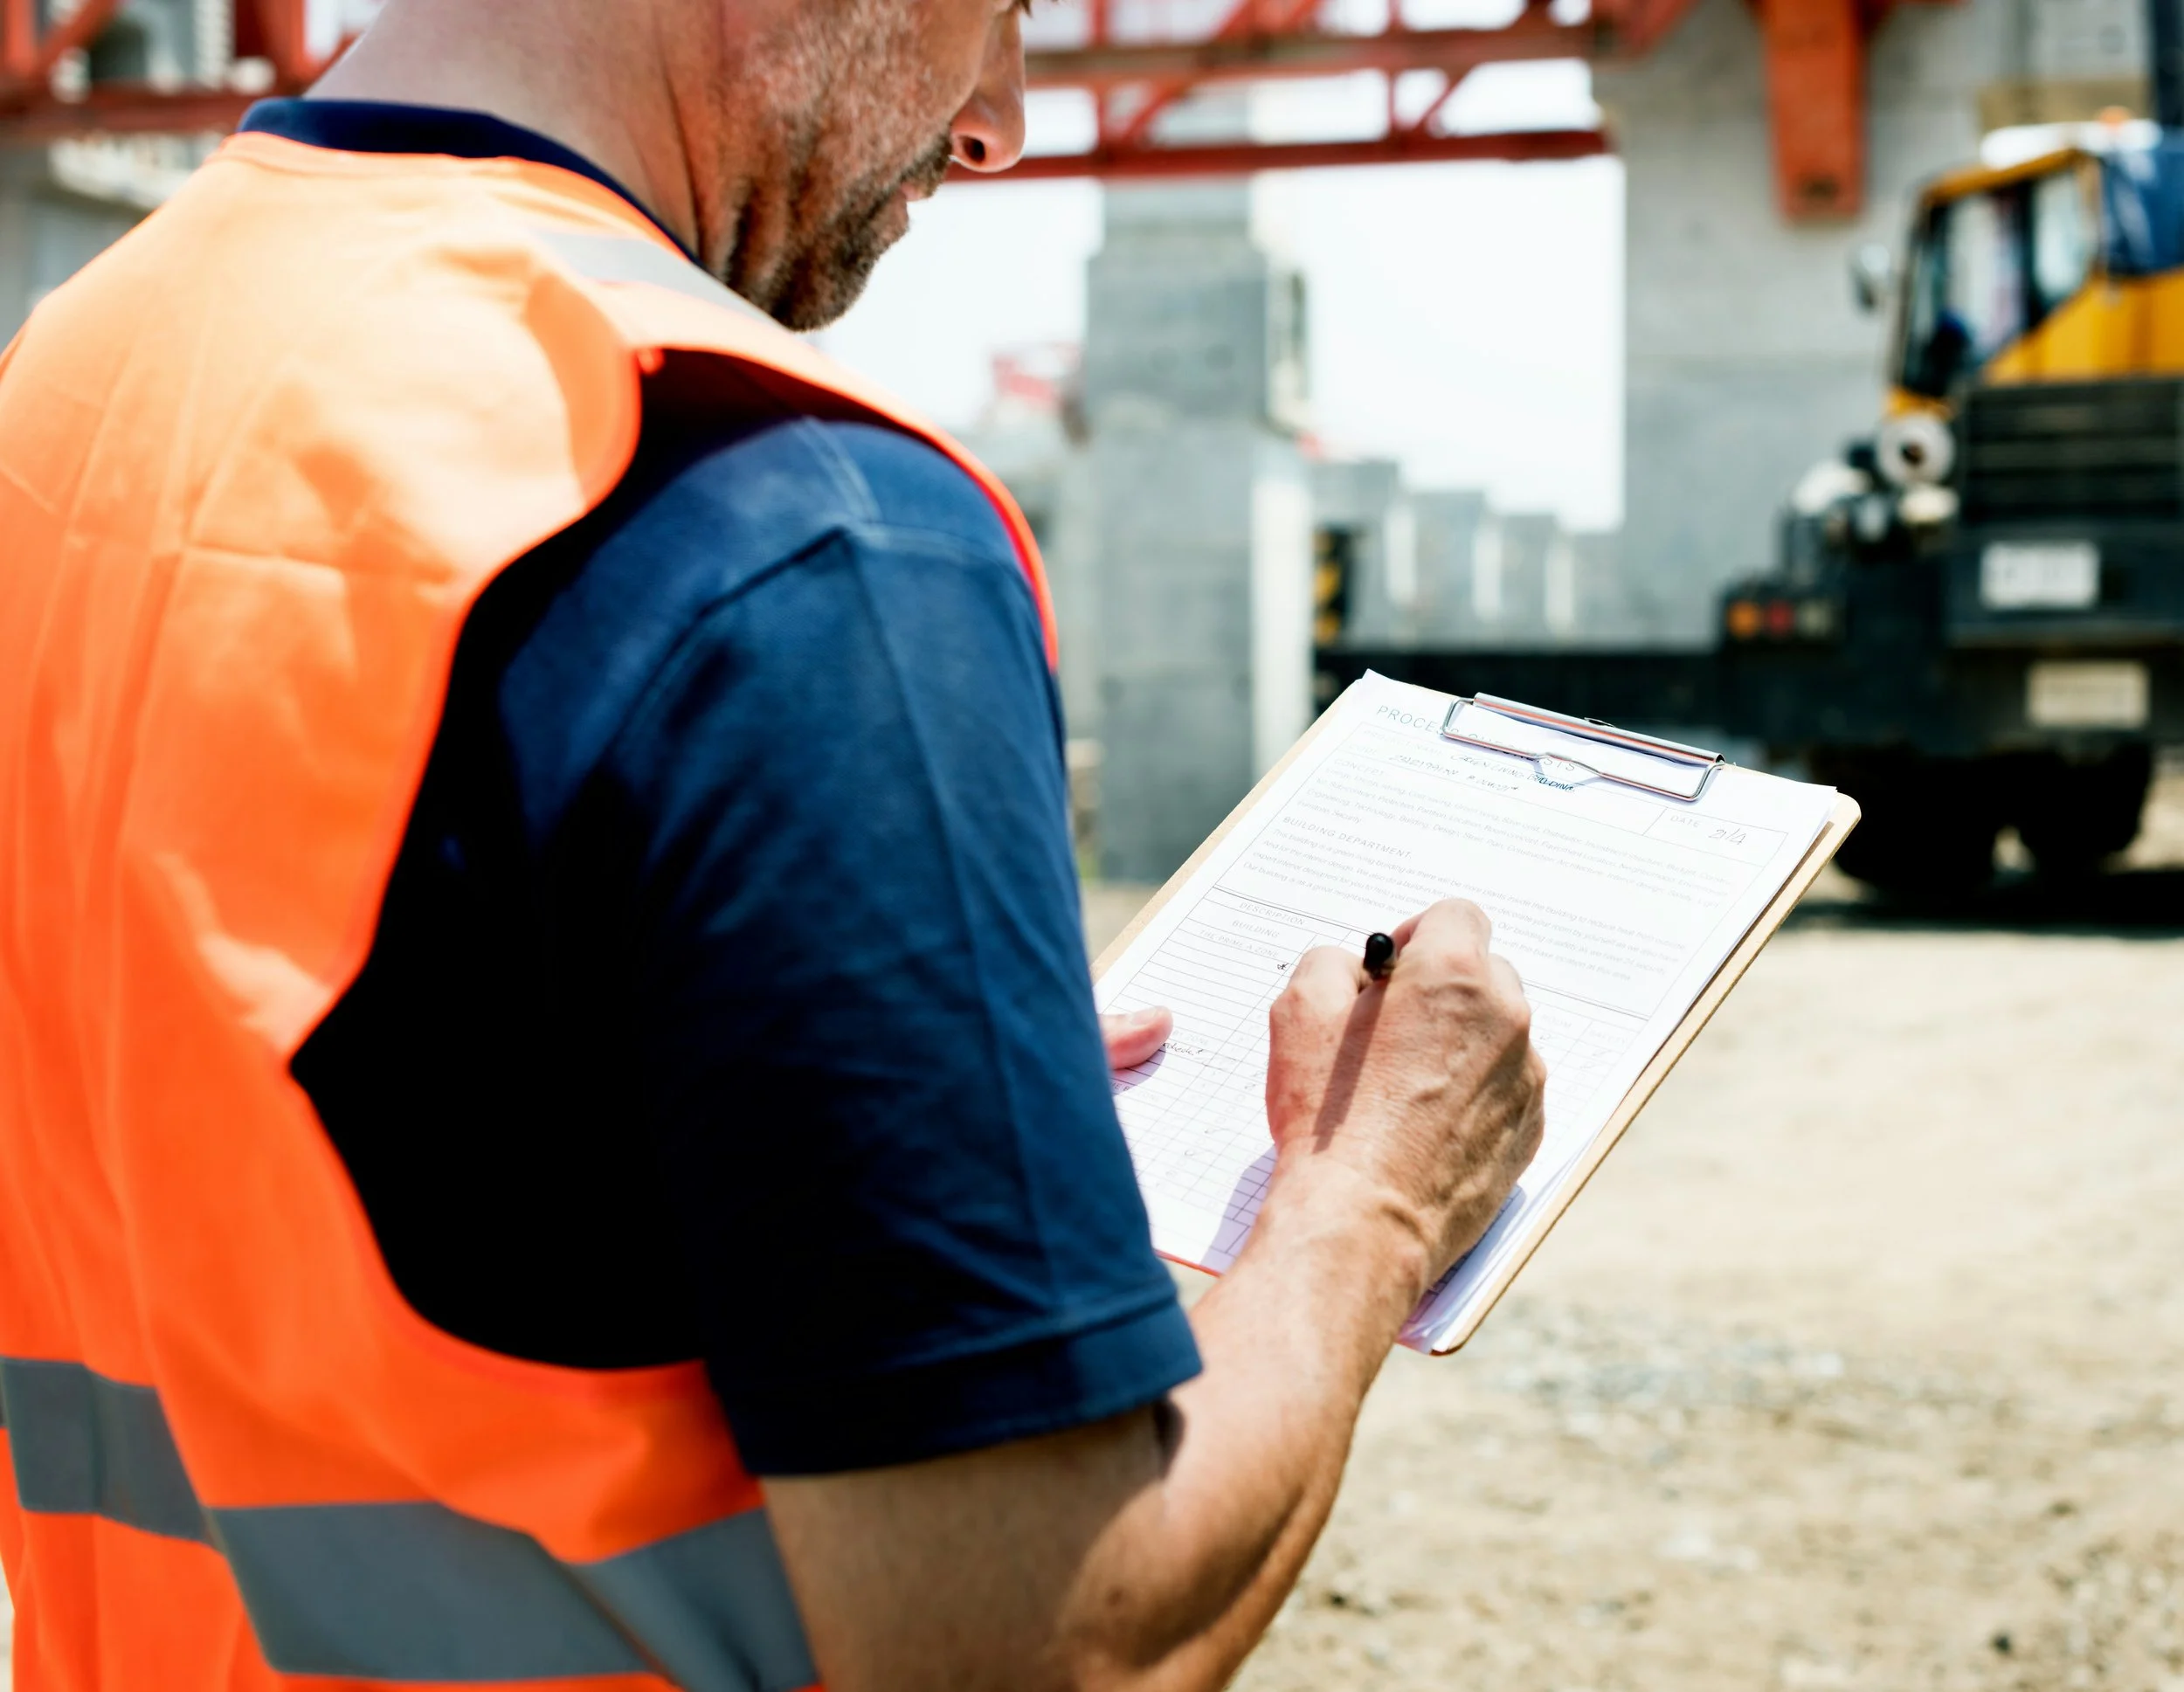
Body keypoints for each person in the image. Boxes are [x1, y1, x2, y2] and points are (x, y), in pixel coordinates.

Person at [0, 0, 1546, 1687]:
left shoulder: (84, 372)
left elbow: (309, 1110)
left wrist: (763, 1066)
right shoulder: (788, 527)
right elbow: (1049, 1648)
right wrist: (1372, 1201)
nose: (1000, 120)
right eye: (1005, 9)